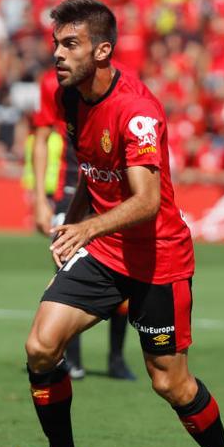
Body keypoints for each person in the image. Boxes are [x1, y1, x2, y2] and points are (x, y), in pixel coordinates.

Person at [23, 0, 224, 447]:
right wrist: (74, 225)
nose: (58, 54)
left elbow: (146, 202)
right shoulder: (68, 96)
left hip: (158, 256)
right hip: (104, 250)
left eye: (71, 44)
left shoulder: (138, 111)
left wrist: (87, 228)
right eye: (56, 44)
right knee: (41, 346)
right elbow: (91, 171)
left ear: (103, 50)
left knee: (170, 381)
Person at [30, 66, 134, 381]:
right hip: (72, 188)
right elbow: (41, 137)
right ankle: (70, 359)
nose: (61, 52)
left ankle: (116, 358)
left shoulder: (118, 82)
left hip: (109, 188)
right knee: (67, 266)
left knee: (121, 269)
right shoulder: (53, 84)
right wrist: (39, 199)